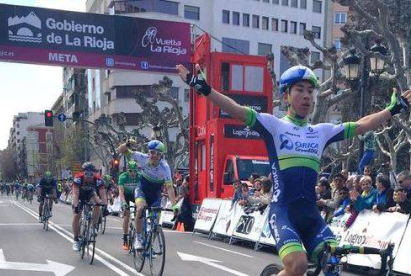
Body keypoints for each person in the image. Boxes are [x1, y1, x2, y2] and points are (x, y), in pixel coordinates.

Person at [176, 63, 411, 276]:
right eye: (300, 90)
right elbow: (236, 109)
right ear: (286, 96)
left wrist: (392, 110)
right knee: (297, 265)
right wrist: (205, 89)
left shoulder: (321, 131)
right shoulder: (274, 125)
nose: (307, 96)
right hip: (283, 212)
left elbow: (362, 124)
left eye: (311, 91)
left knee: (333, 263)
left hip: (310, 215)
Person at [117, 139, 178, 250]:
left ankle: (149, 246)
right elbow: (120, 150)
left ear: (160, 154)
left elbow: (169, 188)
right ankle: (138, 238)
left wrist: (174, 205)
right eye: (150, 152)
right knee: (140, 208)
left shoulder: (165, 167)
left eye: (154, 153)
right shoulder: (142, 157)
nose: (151, 155)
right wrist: (127, 144)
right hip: (142, 190)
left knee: (156, 221)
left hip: (155, 194)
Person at [71, 162, 107, 252]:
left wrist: (105, 205)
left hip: (91, 194)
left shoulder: (98, 180)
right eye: (86, 173)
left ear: (94, 173)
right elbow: (75, 194)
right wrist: (76, 206)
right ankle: (76, 239)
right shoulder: (78, 179)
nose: (89, 176)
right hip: (79, 195)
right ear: (83, 173)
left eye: (91, 174)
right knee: (76, 215)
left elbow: (103, 195)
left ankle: (93, 227)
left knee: (97, 203)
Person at [118, 161, 140, 251]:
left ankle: (139, 235)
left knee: (139, 214)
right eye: (131, 171)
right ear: (128, 171)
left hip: (136, 195)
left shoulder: (140, 176)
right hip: (126, 196)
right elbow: (121, 192)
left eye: (135, 171)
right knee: (126, 216)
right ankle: (125, 237)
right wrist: (123, 203)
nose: (133, 173)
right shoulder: (123, 177)